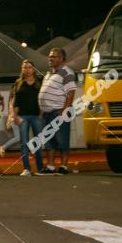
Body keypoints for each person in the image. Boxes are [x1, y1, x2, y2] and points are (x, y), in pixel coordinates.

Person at [38, 47, 76, 175]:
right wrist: (42, 110)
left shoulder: (67, 72)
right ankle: (50, 166)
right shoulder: (49, 73)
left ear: (61, 58)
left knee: (62, 140)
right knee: (49, 141)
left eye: (53, 56)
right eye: (50, 56)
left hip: (59, 112)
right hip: (47, 113)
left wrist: (64, 111)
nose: (50, 58)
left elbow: (70, 93)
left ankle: (64, 166)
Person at [11, 60, 46, 176]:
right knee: (24, 143)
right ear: (22, 69)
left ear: (34, 69)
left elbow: (43, 99)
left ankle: (40, 168)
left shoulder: (40, 82)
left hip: (36, 116)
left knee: (38, 143)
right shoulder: (18, 83)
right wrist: (14, 116)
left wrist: (41, 114)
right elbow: (14, 101)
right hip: (22, 117)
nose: (27, 69)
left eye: (29, 67)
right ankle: (27, 168)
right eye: (25, 67)